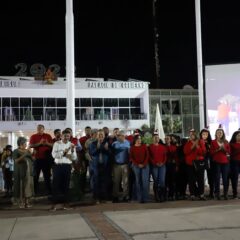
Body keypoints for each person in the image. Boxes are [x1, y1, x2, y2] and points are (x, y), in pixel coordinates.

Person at [50, 129, 77, 211]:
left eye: (68, 136)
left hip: (67, 166)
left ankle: (66, 204)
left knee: (66, 185)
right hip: (58, 166)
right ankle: (54, 205)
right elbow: (54, 155)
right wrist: (63, 153)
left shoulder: (71, 144)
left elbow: (74, 158)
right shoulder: (56, 144)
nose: (66, 137)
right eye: (65, 136)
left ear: (70, 136)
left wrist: (72, 151)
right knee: (56, 185)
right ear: (61, 136)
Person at [29, 124, 53, 195]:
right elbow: (31, 145)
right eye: (38, 128)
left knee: (47, 176)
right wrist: (39, 143)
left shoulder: (48, 136)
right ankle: (34, 191)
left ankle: (49, 191)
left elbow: (52, 145)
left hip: (46, 159)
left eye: (40, 128)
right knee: (35, 176)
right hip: (37, 159)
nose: (39, 129)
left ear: (43, 129)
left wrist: (46, 143)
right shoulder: (33, 136)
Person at [184, 129, 206, 201]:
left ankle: (201, 194)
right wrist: (192, 145)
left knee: (200, 179)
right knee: (191, 180)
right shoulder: (188, 143)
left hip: (199, 163)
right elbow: (186, 152)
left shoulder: (201, 142)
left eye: (193, 134)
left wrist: (197, 146)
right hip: (190, 163)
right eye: (190, 134)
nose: (191, 135)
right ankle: (192, 194)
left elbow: (203, 152)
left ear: (195, 135)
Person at [89, 130, 110, 203]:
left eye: (102, 135)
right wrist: (97, 148)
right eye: (99, 135)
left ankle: (104, 198)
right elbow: (92, 153)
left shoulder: (107, 143)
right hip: (96, 165)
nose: (101, 136)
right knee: (96, 182)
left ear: (104, 135)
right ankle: (97, 198)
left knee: (104, 181)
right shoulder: (93, 144)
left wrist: (107, 149)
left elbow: (110, 153)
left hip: (105, 165)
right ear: (97, 136)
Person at [13, 137, 34, 208]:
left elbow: (33, 159)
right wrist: (25, 154)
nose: (26, 145)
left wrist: (33, 154)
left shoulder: (27, 151)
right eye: (25, 143)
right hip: (20, 172)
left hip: (28, 172)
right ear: (20, 144)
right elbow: (16, 161)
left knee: (28, 187)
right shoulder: (16, 151)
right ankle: (21, 203)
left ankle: (27, 203)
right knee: (21, 187)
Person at [210, 126, 230, 200]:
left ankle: (225, 194)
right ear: (216, 134)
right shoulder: (213, 142)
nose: (219, 134)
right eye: (218, 133)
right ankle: (217, 194)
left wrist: (224, 149)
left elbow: (229, 152)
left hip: (225, 162)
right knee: (217, 178)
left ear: (223, 134)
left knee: (225, 179)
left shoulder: (226, 142)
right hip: (216, 162)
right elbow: (211, 152)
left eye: (220, 133)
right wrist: (218, 149)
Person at [112, 130, 130, 202]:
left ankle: (125, 196)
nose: (117, 136)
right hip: (116, 165)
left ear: (123, 136)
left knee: (125, 182)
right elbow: (117, 148)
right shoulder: (114, 144)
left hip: (125, 164)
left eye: (119, 135)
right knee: (116, 181)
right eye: (117, 135)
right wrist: (125, 148)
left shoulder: (127, 142)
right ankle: (115, 196)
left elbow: (127, 149)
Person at [130, 135, 149, 203]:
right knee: (138, 182)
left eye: (140, 139)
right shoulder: (132, 147)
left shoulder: (144, 146)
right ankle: (139, 198)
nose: (139, 140)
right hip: (136, 166)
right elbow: (131, 157)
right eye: (138, 139)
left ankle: (145, 198)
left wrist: (143, 164)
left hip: (145, 165)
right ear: (135, 140)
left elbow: (147, 155)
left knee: (145, 182)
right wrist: (137, 164)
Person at [149, 131, 167, 202]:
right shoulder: (150, 147)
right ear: (152, 139)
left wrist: (162, 163)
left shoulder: (162, 147)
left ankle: (162, 195)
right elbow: (149, 157)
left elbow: (165, 156)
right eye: (155, 138)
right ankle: (156, 196)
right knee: (156, 181)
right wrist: (154, 163)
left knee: (162, 181)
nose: (157, 139)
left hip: (162, 165)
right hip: (154, 165)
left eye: (158, 138)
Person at [200, 127, 214, 199]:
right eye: (203, 134)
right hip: (201, 161)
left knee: (210, 177)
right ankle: (201, 193)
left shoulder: (211, 142)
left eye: (206, 134)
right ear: (201, 135)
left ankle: (211, 193)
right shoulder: (199, 142)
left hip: (209, 161)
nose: (204, 135)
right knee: (201, 177)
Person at [165, 134, 178, 201]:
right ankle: (166, 195)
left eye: (168, 138)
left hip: (172, 165)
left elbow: (176, 158)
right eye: (166, 138)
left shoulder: (174, 147)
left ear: (170, 140)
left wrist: (176, 165)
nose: (167, 140)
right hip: (165, 165)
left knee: (172, 181)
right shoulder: (163, 147)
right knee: (166, 181)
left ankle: (172, 195)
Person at [229, 130, 240, 199]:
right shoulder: (231, 144)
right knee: (235, 178)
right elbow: (230, 154)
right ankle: (235, 193)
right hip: (235, 162)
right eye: (238, 135)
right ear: (235, 136)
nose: (239, 137)